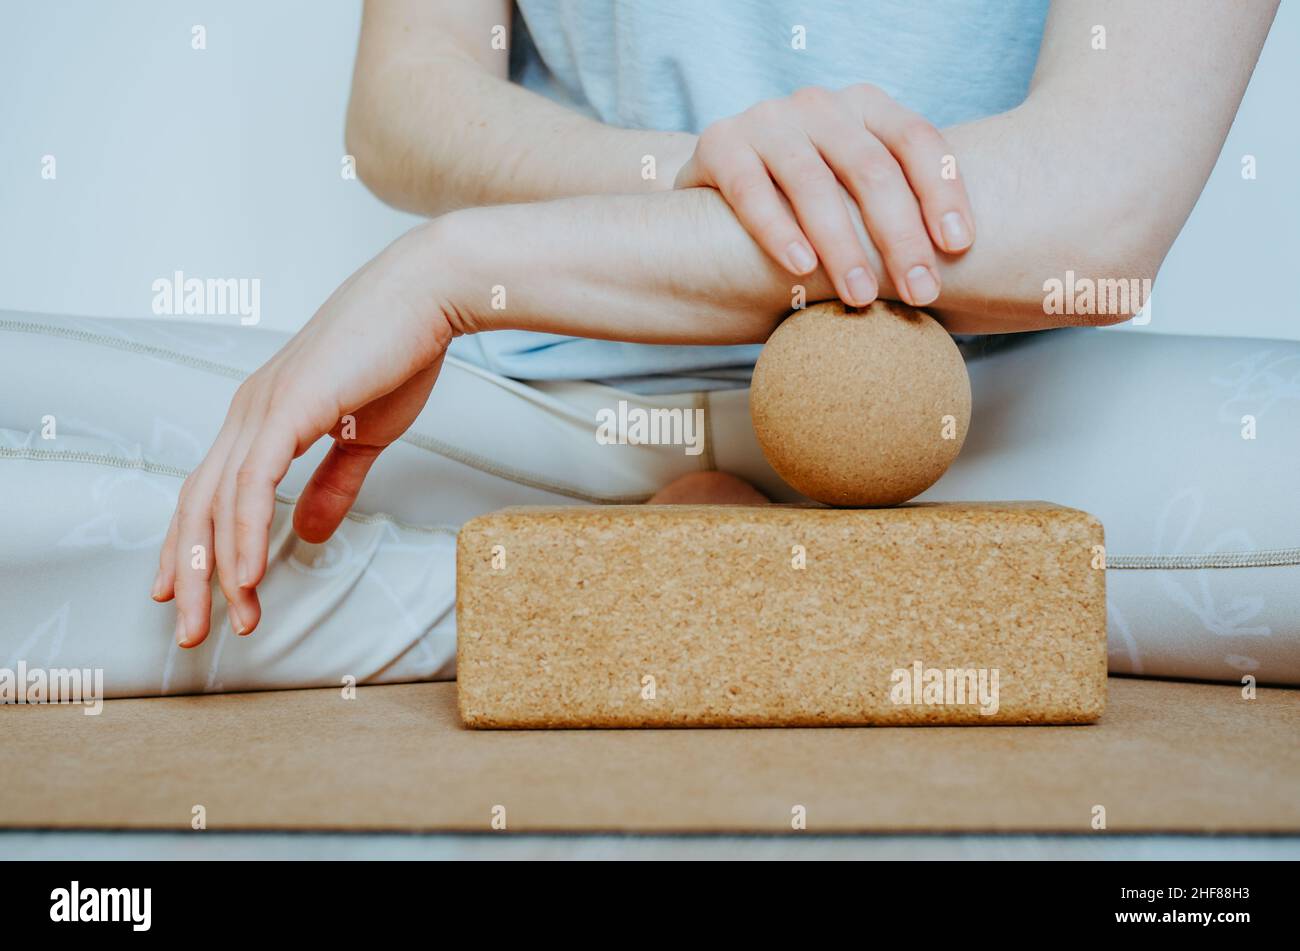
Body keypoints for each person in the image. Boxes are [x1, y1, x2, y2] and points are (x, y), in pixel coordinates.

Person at [4, 0, 1295, 695]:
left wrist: (454, 270)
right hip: (574, 404)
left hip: (1017, 418)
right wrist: (688, 178)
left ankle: (612, 597)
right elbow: (404, 101)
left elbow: (1101, 207)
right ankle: (676, 591)